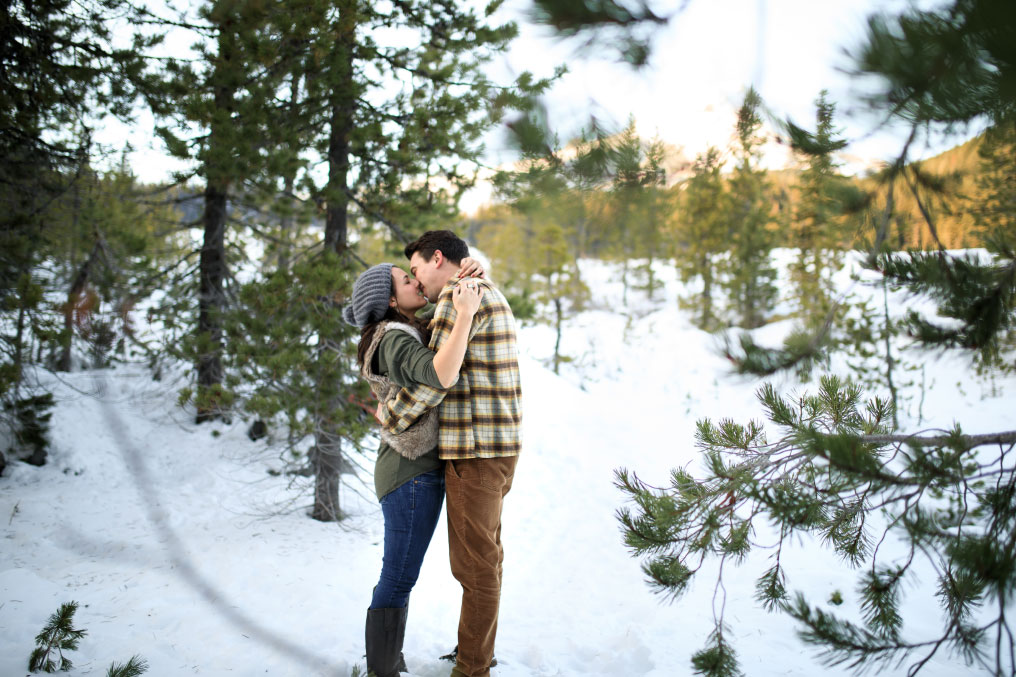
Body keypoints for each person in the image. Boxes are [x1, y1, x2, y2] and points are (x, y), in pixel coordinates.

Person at [379, 230, 522, 677]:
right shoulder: (481, 289)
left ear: (437, 258)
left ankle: (472, 668)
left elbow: (432, 381)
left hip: (474, 449)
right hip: (498, 448)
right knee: (487, 559)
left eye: (417, 270)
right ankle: (476, 653)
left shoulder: (456, 301)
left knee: (475, 568)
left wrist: (389, 414)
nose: (418, 282)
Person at [344, 258, 485, 677]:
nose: (416, 280)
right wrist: (465, 315)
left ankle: (387, 660)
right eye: (407, 280)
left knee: (401, 572)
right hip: (409, 474)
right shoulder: (393, 338)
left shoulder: (404, 329)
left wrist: (470, 268)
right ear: (389, 299)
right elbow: (440, 375)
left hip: (413, 470)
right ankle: (381, 669)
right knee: (400, 573)